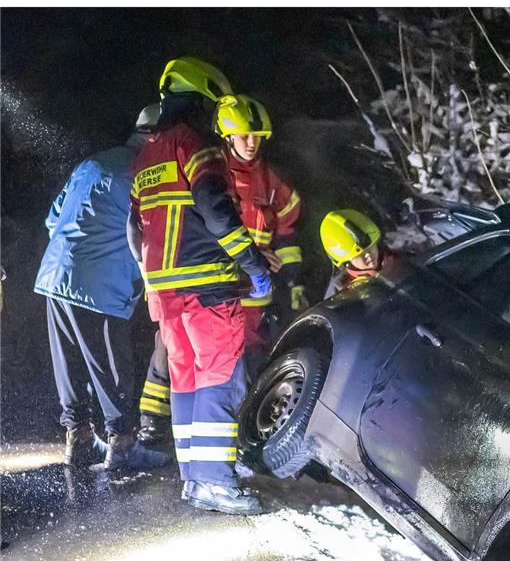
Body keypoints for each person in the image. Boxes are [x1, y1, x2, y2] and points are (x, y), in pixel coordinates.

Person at [128, 56, 272, 515]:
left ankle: (195, 479)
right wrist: (252, 264)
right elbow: (217, 213)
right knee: (220, 380)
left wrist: (153, 275)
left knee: (186, 381)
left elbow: (134, 228)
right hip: (208, 289)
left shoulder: (147, 155)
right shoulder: (199, 147)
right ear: (201, 101)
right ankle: (216, 483)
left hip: (164, 295)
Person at [33, 106, 168, 470]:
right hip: (100, 285)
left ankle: (77, 438)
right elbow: (151, 234)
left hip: (56, 275)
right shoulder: (145, 173)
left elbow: (52, 218)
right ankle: (122, 443)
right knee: (110, 365)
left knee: (70, 362)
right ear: (155, 137)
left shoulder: (92, 163)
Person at [215, 94, 306, 372]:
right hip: (222, 294)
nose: (252, 143)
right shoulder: (213, 175)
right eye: (244, 136)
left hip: (259, 299)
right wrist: (253, 255)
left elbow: (286, 234)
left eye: (257, 136)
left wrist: (292, 283)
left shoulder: (270, 180)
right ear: (228, 137)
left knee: (256, 367)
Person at [320, 208, 389, 297]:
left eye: (370, 247)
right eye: (359, 254)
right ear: (347, 262)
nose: (368, 255)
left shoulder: (402, 256)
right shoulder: (341, 295)